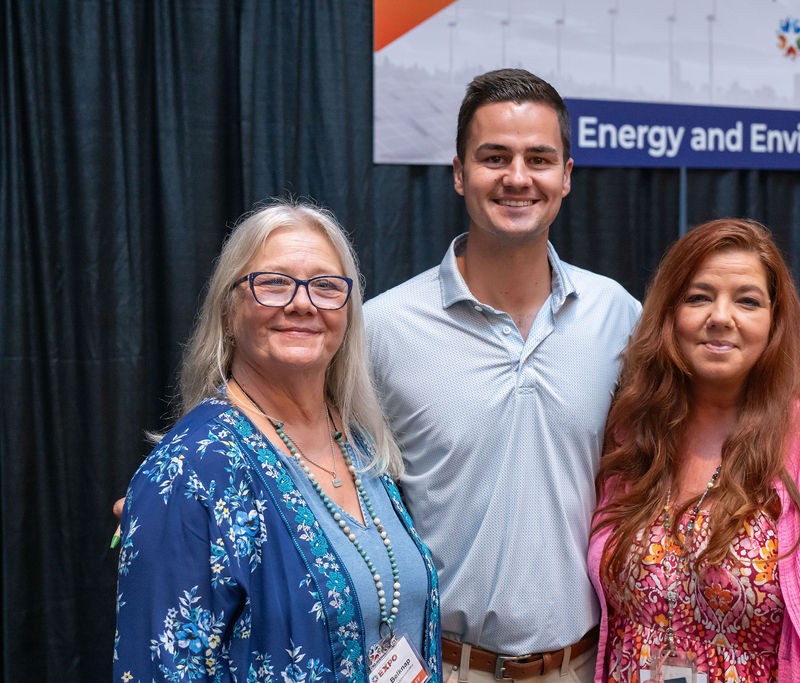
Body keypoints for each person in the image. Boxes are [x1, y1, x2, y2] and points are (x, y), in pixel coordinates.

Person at [364, 68, 641, 682]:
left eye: (539, 158)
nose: (518, 177)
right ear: (460, 173)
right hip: (446, 667)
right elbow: (311, 460)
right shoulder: (380, 329)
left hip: (588, 664)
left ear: (566, 176)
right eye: (495, 157)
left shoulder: (618, 316)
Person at [114, 199, 441, 681]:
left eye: (327, 286)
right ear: (229, 310)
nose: (302, 303)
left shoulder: (359, 443)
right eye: (273, 283)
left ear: (347, 313)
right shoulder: (188, 471)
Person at [587, 219, 800, 682]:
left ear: (775, 320)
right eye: (699, 297)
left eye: (747, 300)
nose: (721, 316)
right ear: (668, 314)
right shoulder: (635, 428)